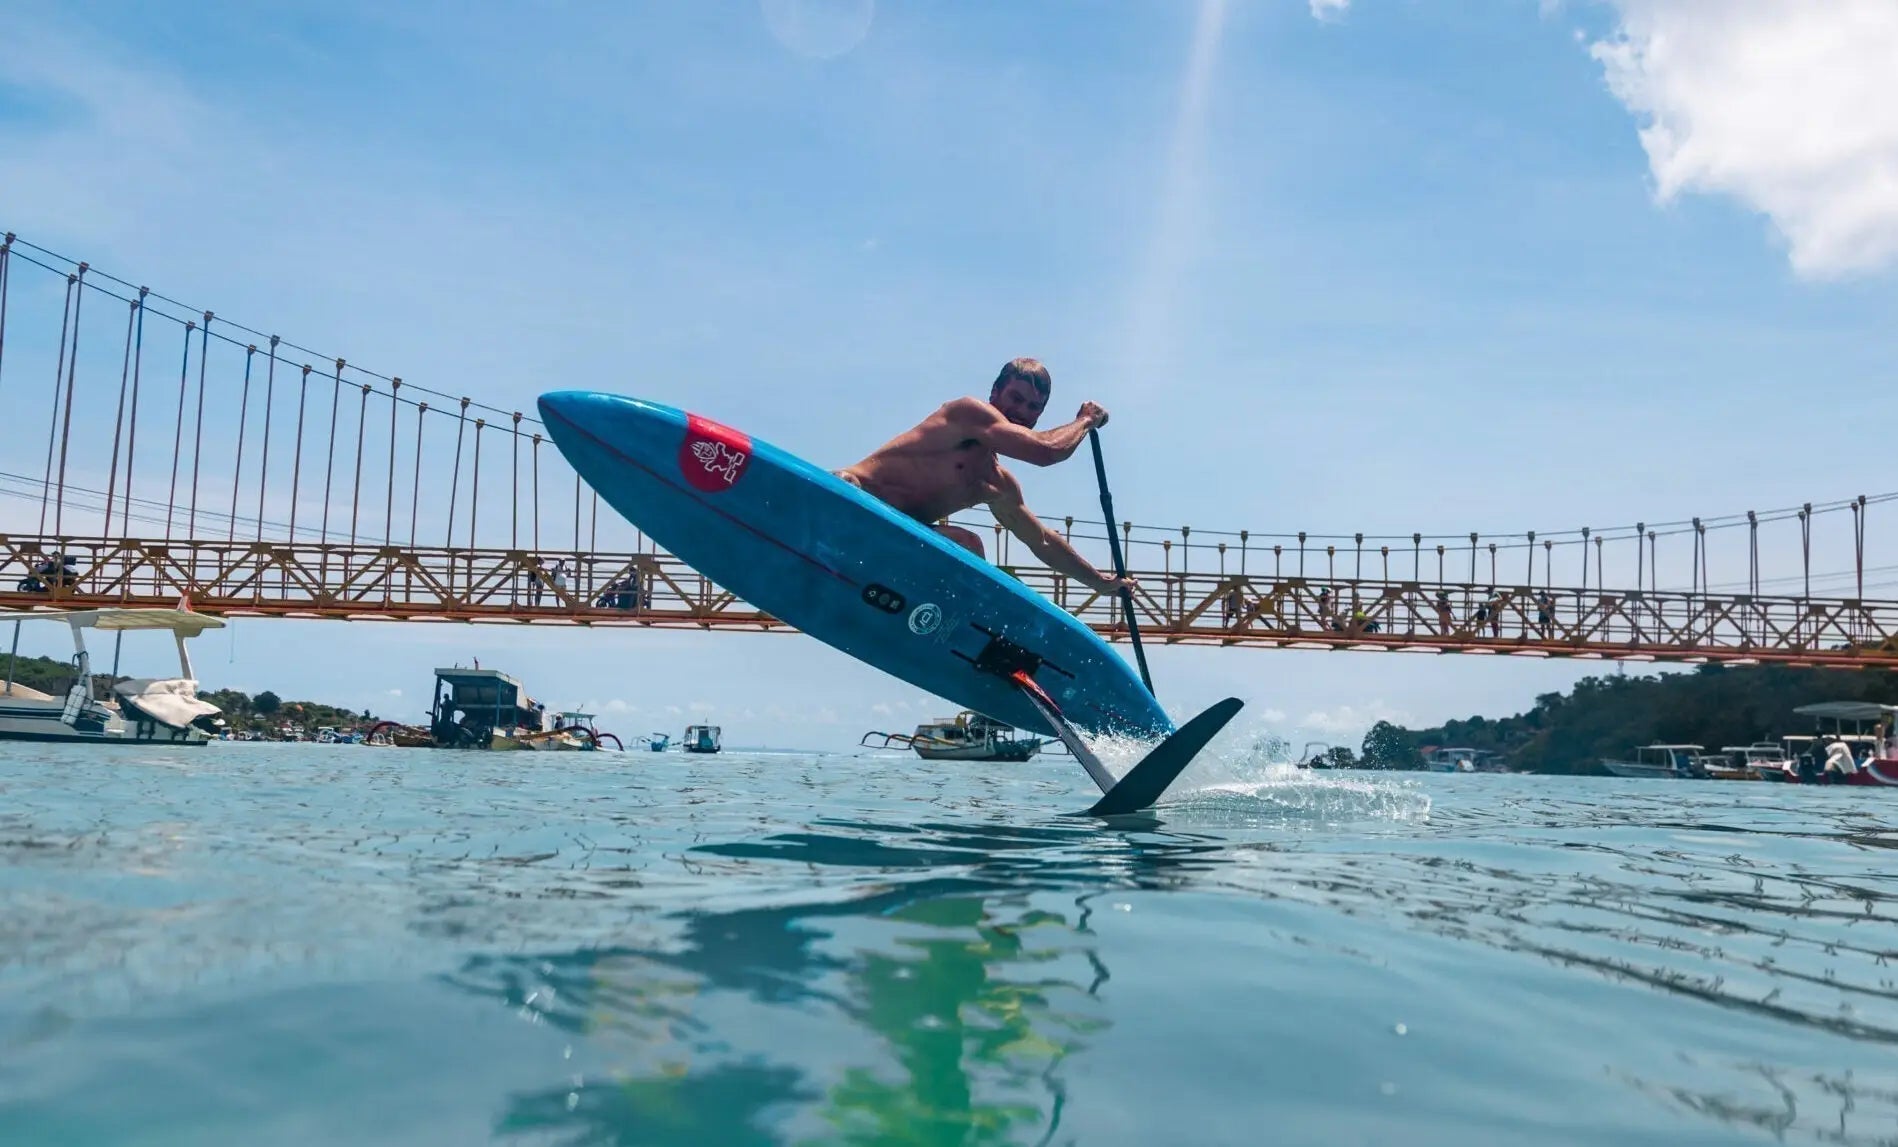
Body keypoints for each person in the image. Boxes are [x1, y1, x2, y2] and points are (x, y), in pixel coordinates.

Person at [836, 358, 1136, 594]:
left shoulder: (994, 483)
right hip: (852, 498)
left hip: (893, 535)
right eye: (1015, 398)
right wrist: (1085, 421)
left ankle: (938, 623)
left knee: (969, 546)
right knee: (846, 483)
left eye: (1033, 407)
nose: (1021, 411)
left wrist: (1100, 582)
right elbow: (1046, 451)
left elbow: (1042, 542)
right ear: (995, 393)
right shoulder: (966, 413)